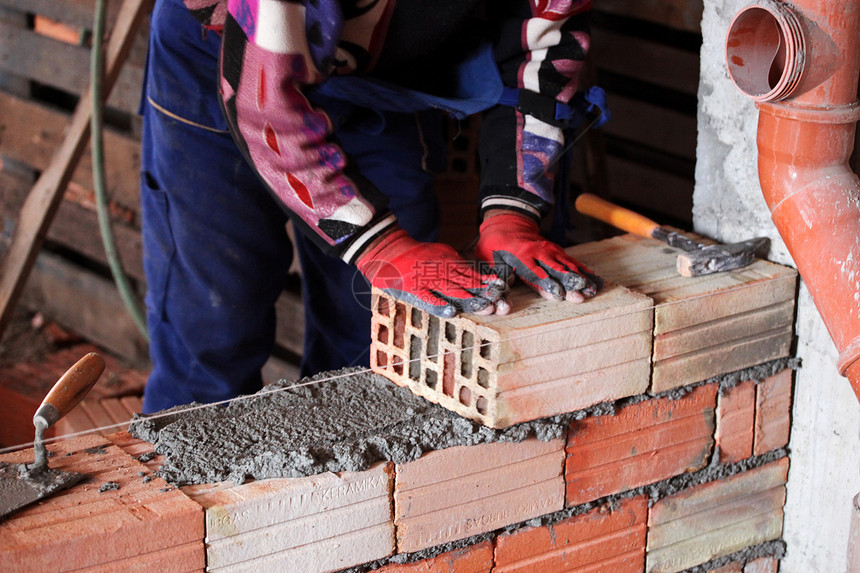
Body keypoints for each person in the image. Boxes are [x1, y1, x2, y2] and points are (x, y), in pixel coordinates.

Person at [139, 0, 601, 413]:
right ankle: (186, 494)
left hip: (388, 79)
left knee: (377, 347)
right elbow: (265, 104)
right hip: (229, 59)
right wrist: (381, 246)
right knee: (214, 321)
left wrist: (512, 211)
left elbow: (544, 51)